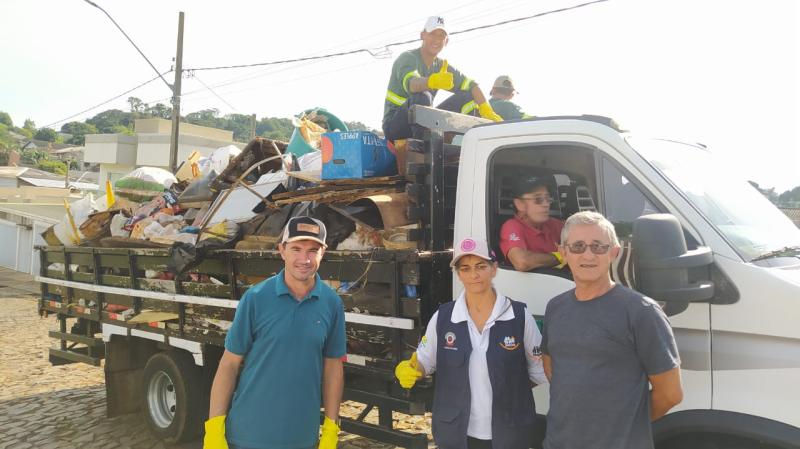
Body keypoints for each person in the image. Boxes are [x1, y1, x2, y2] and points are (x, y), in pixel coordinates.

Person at [541, 211, 683, 449]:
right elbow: (552, 369)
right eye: (577, 246)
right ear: (563, 252)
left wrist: (623, 425)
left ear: (613, 252)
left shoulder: (642, 312)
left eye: (598, 246)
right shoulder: (556, 307)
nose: (588, 254)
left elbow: (670, 394)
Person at [203, 216, 346, 449]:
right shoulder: (256, 298)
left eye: (313, 250)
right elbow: (229, 364)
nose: (304, 259)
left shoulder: (331, 303)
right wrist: (214, 428)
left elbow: (333, 368)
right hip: (248, 436)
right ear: (282, 250)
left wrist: (331, 429)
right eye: (296, 249)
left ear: (323, 252)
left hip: (303, 438)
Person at [394, 237, 547, 449]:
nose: (473, 275)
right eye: (465, 268)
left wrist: (511, 388)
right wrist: (412, 369)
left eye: (481, 266)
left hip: (510, 432)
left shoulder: (519, 316)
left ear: (494, 269)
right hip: (457, 433)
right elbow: (424, 361)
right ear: (458, 274)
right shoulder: (444, 317)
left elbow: (539, 370)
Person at [382, 16, 503, 142]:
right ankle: (421, 149)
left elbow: (472, 85)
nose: (437, 39)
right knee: (423, 96)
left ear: (446, 41)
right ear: (422, 35)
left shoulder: (441, 66)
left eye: (441, 36)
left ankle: (464, 143)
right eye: (432, 34)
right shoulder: (407, 58)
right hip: (396, 127)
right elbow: (413, 84)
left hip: (422, 123)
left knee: (468, 96)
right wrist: (432, 81)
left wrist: (487, 109)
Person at [499, 176, 565, 271]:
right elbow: (522, 262)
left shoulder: (554, 224)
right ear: (519, 204)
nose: (546, 204)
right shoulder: (512, 226)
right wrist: (560, 257)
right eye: (538, 200)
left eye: (547, 198)